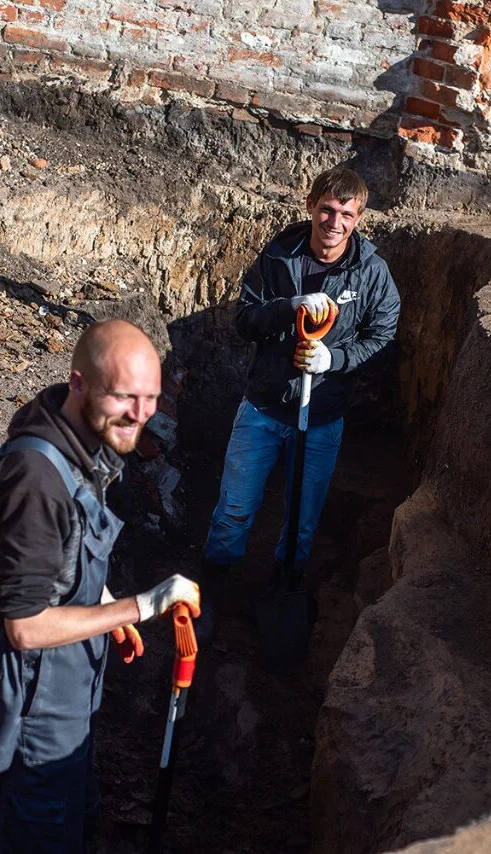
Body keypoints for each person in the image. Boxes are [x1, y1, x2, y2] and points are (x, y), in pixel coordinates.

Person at [0, 319, 200, 852]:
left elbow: (64, 556)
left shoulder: (83, 441)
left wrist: (99, 603)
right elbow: (26, 627)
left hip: (74, 683)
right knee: (40, 833)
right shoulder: (34, 479)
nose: (141, 415)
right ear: (78, 384)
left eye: (150, 397)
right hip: (36, 702)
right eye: (125, 396)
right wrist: (137, 607)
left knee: (79, 817)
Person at [197, 166, 401, 641]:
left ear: (359, 217)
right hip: (264, 409)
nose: (335, 221)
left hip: (322, 418)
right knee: (234, 509)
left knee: (302, 520)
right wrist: (286, 308)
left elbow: (384, 332)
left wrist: (335, 358)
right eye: (327, 209)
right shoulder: (278, 257)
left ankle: (283, 590)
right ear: (311, 205)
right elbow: (244, 320)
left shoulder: (370, 272)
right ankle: (211, 590)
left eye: (346, 214)